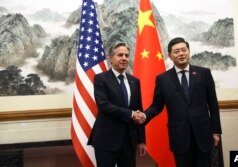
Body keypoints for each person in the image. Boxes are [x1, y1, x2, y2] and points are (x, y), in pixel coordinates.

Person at [134, 37, 222, 167]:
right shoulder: (163, 79)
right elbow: (157, 106)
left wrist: (216, 131)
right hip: (179, 137)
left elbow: (213, 105)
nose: (181, 54)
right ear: (170, 56)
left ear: (189, 52)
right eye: (176, 51)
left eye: (183, 50)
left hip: (203, 134)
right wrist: (144, 116)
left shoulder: (204, 73)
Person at [87, 42, 146, 167]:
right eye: (120, 55)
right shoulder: (101, 78)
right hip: (106, 139)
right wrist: (131, 114)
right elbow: (104, 106)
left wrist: (141, 141)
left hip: (129, 141)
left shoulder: (134, 81)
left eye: (126, 55)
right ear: (111, 58)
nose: (124, 58)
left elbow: (139, 110)